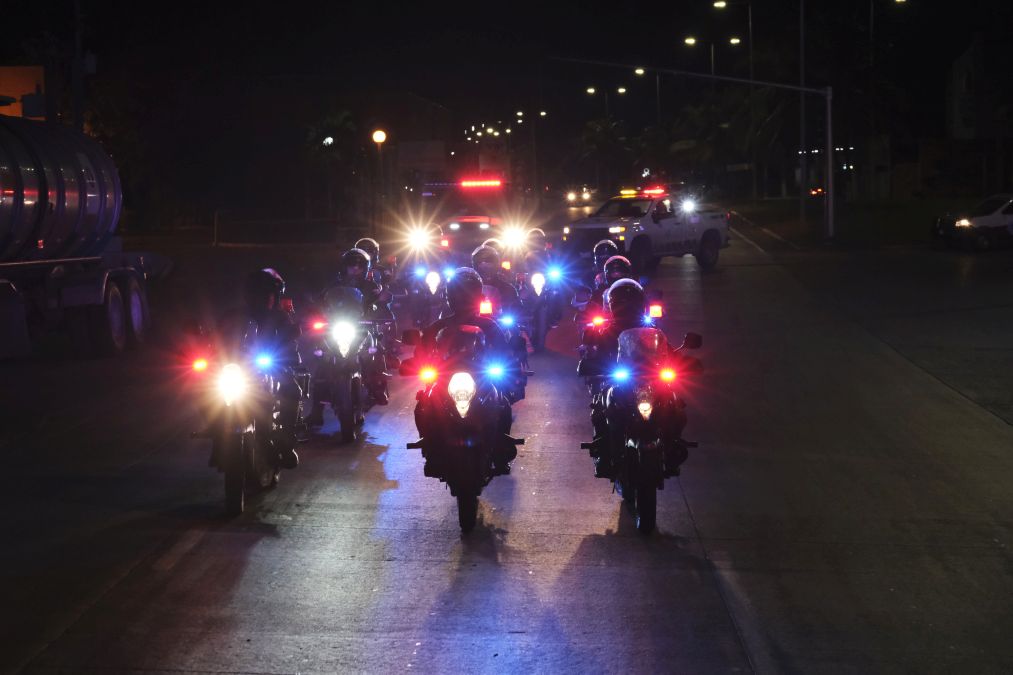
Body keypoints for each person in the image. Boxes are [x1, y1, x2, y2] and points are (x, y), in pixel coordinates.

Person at [414, 268, 517, 473]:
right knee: (423, 406)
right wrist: (418, 363)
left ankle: (500, 452)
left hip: (481, 377)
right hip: (445, 378)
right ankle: (430, 449)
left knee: (503, 405)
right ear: (449, 296)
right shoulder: (438, 326)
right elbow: (422, 351)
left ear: (477, 295)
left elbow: (504, 349)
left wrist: (508, 362)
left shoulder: (490, 325)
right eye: (458, 293)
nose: (462, 298)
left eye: (467, 293)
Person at [218, 268, 303, 469]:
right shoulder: (234, 315)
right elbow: (216, 337)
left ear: (275, 295)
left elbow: (290, 339)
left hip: (270, 365)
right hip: (240, 367)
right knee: (205, 390)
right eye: (256, 292)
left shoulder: (281, 317)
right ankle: (217, 433)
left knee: (292, 390)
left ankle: (287, 443)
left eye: (267, 293)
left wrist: (288, 348)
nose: (262, 297)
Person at [472, 244, 520, 316]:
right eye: (480, 262)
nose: (485, 265)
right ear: (475, 265)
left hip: (501, 320)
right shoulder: (469, 288)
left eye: (489, 261)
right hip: (475, 321)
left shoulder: (508, 288)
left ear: (496, 264)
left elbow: (518, 309)